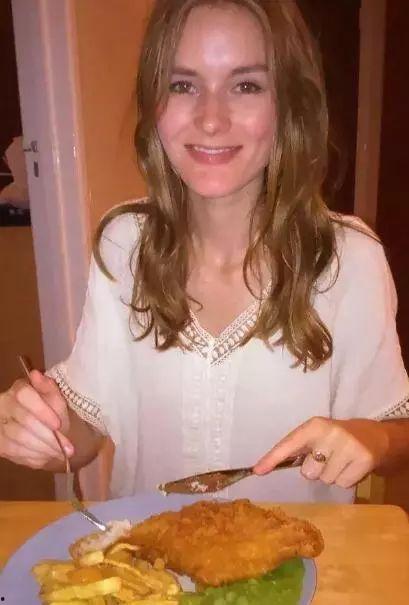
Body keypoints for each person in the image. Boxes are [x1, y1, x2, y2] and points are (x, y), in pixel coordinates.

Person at [0, 0, 408, 503]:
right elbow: (87, 429)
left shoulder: (350, 260)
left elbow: (397, 430)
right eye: (183, 85)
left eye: (246, 86)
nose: (211, 119)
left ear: (288, 105)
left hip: (298, 553)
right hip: (144, 553)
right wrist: (44, 429)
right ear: (155, 103)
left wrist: (373, 439)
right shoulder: (124, 243)